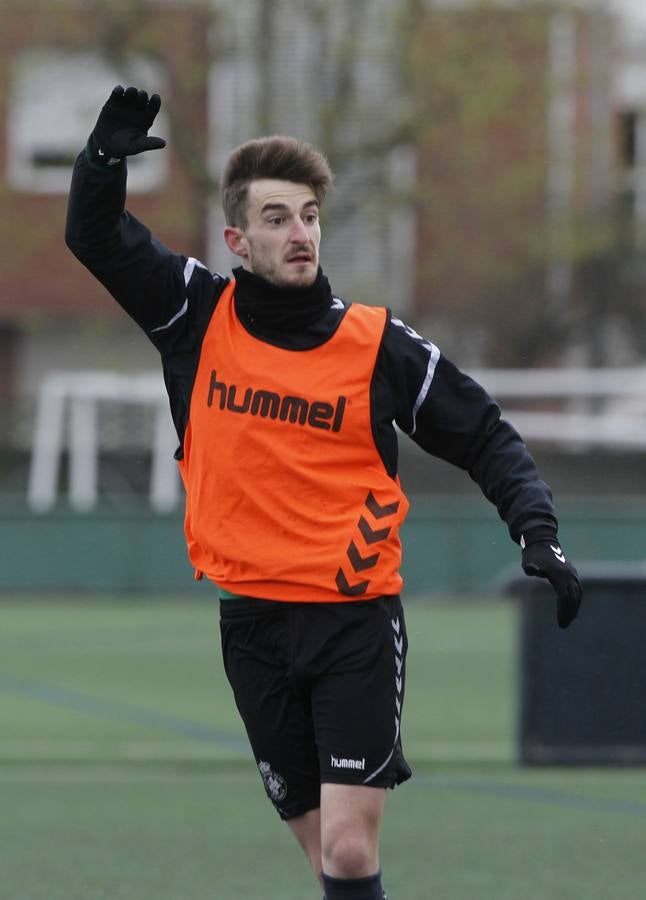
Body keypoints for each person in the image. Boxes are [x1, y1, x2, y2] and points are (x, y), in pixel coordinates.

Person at [65, 86, 582, 900]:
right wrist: (100, 164)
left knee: (347, 850)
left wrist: (537, 531)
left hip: (352, 623)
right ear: (237, 239)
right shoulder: (196, 315)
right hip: (251, 625)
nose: (299, 231)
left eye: (308, 214)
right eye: (276, 218)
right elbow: (94, 237)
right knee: (327, 863)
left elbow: (484, 433)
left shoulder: (374, 344)